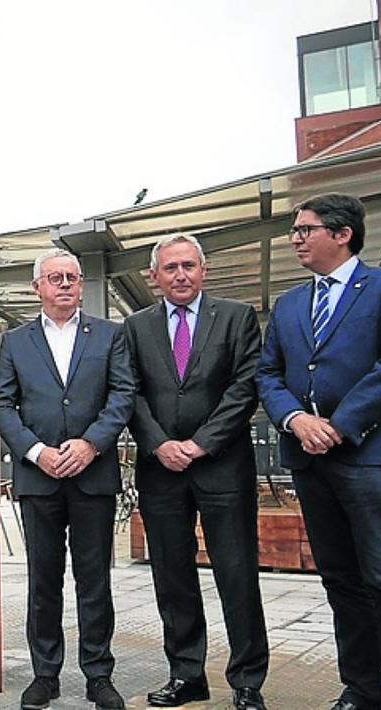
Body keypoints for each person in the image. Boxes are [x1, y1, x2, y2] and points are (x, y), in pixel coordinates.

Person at [257, 193, 381, 710]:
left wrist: (338, 425)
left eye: (305, 229)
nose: (296, 238)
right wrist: (295, 419)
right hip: (310, 460)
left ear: (342, 234)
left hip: (371, 455)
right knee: (340, 580)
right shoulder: (291, 303)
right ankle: (362, 691)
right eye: (295, 231)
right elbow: (268, 373)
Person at [123, 234, 269, 710]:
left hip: (223, 466)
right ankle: (187, 675)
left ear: (203, 271)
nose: (180, 275)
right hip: (160, 469)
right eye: (170, 268)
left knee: (237, 571)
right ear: (154, 277)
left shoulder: (236, 317)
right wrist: (160, 443)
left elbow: (246, 386)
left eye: (188, 266)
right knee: (171, 574)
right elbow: (129, 392)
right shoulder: (135, 327)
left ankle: (247, 682)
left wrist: (201, 443)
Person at [0, 248, 133, 710]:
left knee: (95, 580)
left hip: (93, 477)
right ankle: (44, 675)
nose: (66, 284)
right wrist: (36, 451)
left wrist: (91, 444)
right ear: (38, 288)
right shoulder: (15, 341)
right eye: (55, 278)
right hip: (39, 479)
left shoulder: (110, 336)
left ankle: (98, 675)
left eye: (72, 277)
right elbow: (0, 406)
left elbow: (122, 395)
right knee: (43, 581)